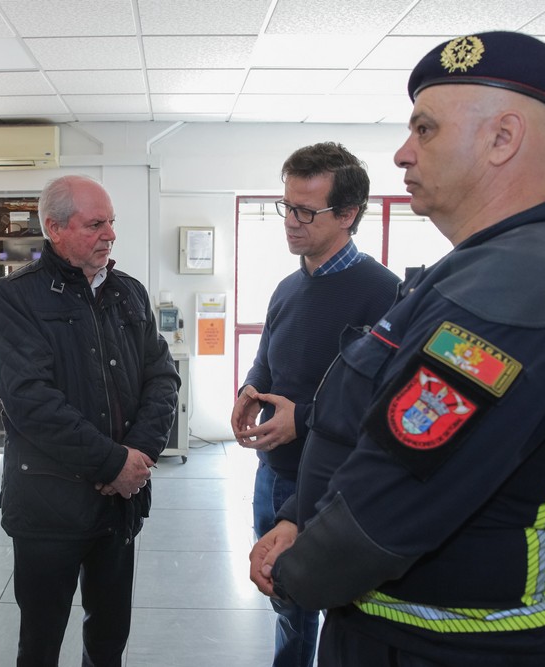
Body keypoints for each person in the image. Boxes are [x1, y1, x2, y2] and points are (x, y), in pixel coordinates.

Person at [249, 31, 545, 666]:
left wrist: (298, 572)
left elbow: (399, 487)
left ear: (502, 138)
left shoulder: (527, 288)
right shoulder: (472, 272)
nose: (402, 153)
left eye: (424, 130)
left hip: (447, 646)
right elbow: (362, 425)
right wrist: (298, 514)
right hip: (389, 630)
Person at [0, 175, 180, 666]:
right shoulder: (14, 299)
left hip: (120, 508)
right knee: (41, 642)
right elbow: (31, 403)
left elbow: (162, 378)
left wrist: (139, 456)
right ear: (53, 228)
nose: (109, 234)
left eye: (111, 222)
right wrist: (113, 463)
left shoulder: (129, 293)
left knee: (110, 638)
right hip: (50, 509)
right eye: (95, 224)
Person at [231, 142, 399, 666]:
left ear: (348, 214)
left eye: (307, 211)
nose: (292, 222)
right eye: (287, 207)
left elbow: (377, 402)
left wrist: (301, 419)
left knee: (342, 609)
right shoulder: (287, 286)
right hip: (275, 473)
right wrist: (249, 391)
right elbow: (270, 355)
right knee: (284, 599)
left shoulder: (385, 294)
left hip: (335, 484)